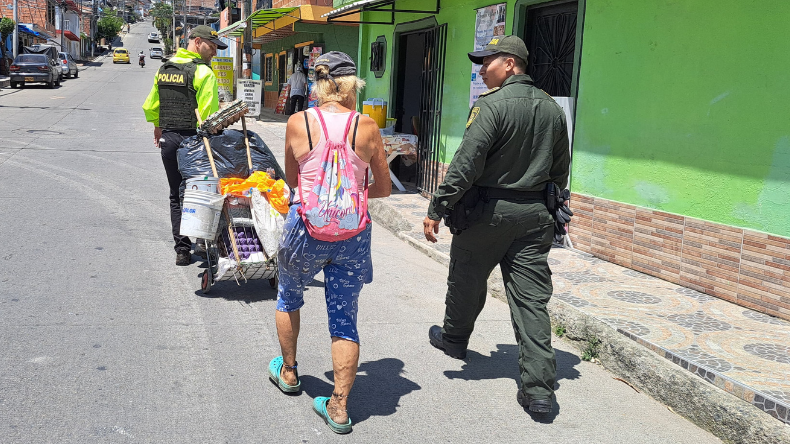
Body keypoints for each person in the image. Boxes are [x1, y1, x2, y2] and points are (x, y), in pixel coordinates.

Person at [422, 35, 570, 416]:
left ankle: (454, 340)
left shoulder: (490, 107)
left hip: (487, 215)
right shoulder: (553, 109)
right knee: (531, 300)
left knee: (467, 279)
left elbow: (465, 164)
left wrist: (437, 207)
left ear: (509, 63)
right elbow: (560, 170)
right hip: (535, 215)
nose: (481, 68)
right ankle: (539, 390)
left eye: (487, 62)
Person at [269, 51, 391, 434]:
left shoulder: (297, 122)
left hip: (305, 229)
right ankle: (338, 407)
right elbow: (383, 188)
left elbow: (293, 180)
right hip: (352, 236)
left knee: (289, 295)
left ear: (318, 85)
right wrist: (346, 196)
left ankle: (289, 373)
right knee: (344, 318)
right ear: (352, 85)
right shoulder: (368, 127)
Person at [142, 25, 228, 266]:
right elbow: (210, 117)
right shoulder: (203, 73)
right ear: (198, 42)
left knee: (176, 194)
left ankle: (182, 250)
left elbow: (151, 105)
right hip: (195, 142)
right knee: (203, 191)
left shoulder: (164, 70)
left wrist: (158, 127)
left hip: (169, 139)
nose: (214, 52)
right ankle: (202, 241)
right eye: (212, 47)